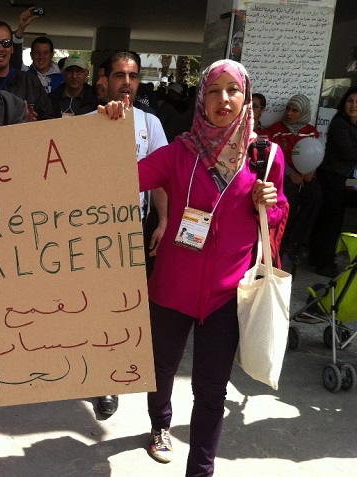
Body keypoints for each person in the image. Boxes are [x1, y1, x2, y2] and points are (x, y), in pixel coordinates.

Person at [100, 59, 286, 476]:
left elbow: (279, 214)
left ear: (246, 97)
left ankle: (200, 469)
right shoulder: (179, 153)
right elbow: (122, 177)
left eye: (232, 90)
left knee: (211, 390)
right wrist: (110, 130)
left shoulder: (265, 156)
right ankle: (159, 426)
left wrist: (268, 205)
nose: (224, 99)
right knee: (162, 366)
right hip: (172, 288)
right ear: (201, 98)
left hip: (226, 295)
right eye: (214, 90)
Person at [94, 50, 169, 417]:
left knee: (126, 306)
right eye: (119, 75)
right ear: (104, 80)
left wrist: (164, 221)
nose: (127, 82)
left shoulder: (150, 124)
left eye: (133, 76)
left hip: (135, 228)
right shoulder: (85, 121)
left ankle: (111, 381)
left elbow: (161, 179)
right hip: (90, 231)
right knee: (92, 304)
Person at [266, 94, 322, 265]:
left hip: (306, 175)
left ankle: (297, 242)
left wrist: (311, 171)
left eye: (295, 110)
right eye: (288, 109)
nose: (289, 113)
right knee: (288, 199)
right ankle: (282, 241)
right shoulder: (275, 129)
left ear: (304, 112)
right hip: (286, 174)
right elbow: (273, 155)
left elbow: (316, 152)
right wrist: (289, 173)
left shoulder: (311, 131)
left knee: (316, 196)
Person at [310, 87, 357, 277]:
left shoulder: (353, 125)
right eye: (350, 101)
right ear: (344, 103)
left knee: (334, 221)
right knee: (329, 223)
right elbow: (348, 152)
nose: (354, 105)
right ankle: (323, 263)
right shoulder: (339, 124)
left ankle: (321, 257)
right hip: (331, 178)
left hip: (344, 179)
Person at [0, 20, 54, 121]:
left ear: (12, 48)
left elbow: (49, 121)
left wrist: (32, 126)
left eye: (6, 43)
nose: (1, 48)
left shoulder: (31, 83)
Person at [10, 9, 64, 94]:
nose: (41, 56)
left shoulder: (62, 79)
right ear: (31, 55)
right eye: (37, 52)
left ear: (51, 55)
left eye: (45, 53)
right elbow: (15, 55)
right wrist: (21, 28)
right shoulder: (24, 74)